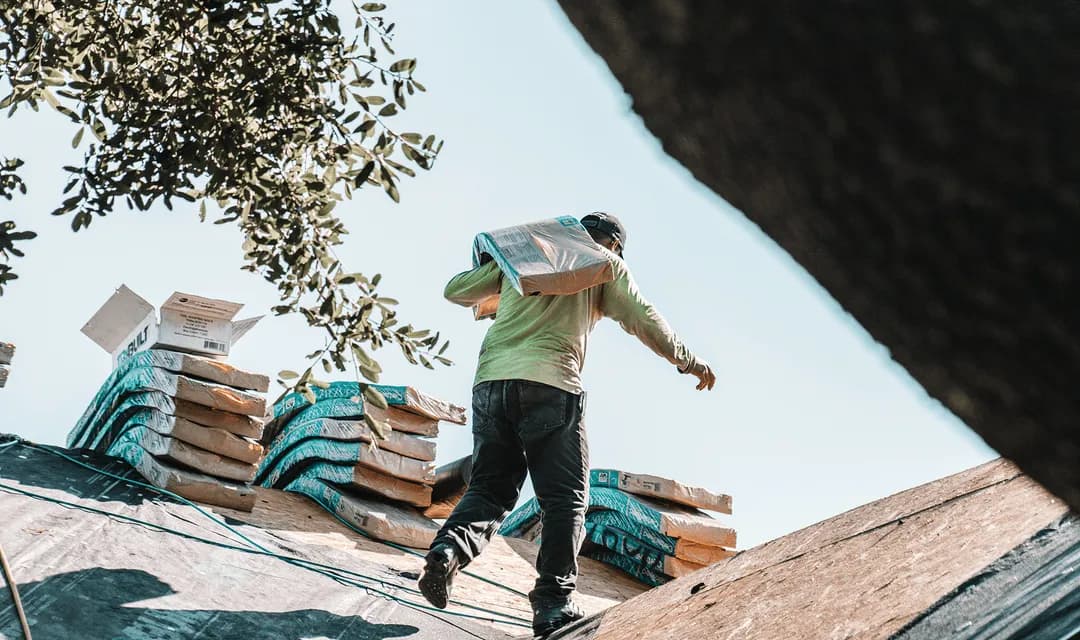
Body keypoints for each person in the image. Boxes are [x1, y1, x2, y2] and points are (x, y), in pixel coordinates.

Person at [418, 212, 715, 636]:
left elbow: (456, 291)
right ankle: (553, 603)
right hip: (551, 386)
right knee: (566, 499)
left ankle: (448, 551)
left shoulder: (527, 258)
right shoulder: (606, 265)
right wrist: (689, 361)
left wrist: (498, 264)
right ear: (614, 246)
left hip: (491, 385)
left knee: (489, 488)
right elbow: (644, 318)